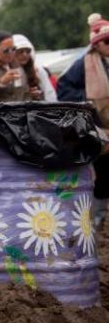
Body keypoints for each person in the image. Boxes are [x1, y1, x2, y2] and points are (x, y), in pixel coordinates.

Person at [56, 13, 109, 228]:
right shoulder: (83, 64)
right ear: (96, 44)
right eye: (106, 41)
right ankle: (96, 218)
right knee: (103, 171)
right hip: (98, 126)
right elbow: (63, 88)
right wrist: (85, 99)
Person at [12, 34, 56, 101]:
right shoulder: (8, 72)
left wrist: (39, 96)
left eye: (28, 51)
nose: (25, 54)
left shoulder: (38, 71)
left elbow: (49, 94)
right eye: (21, 51)